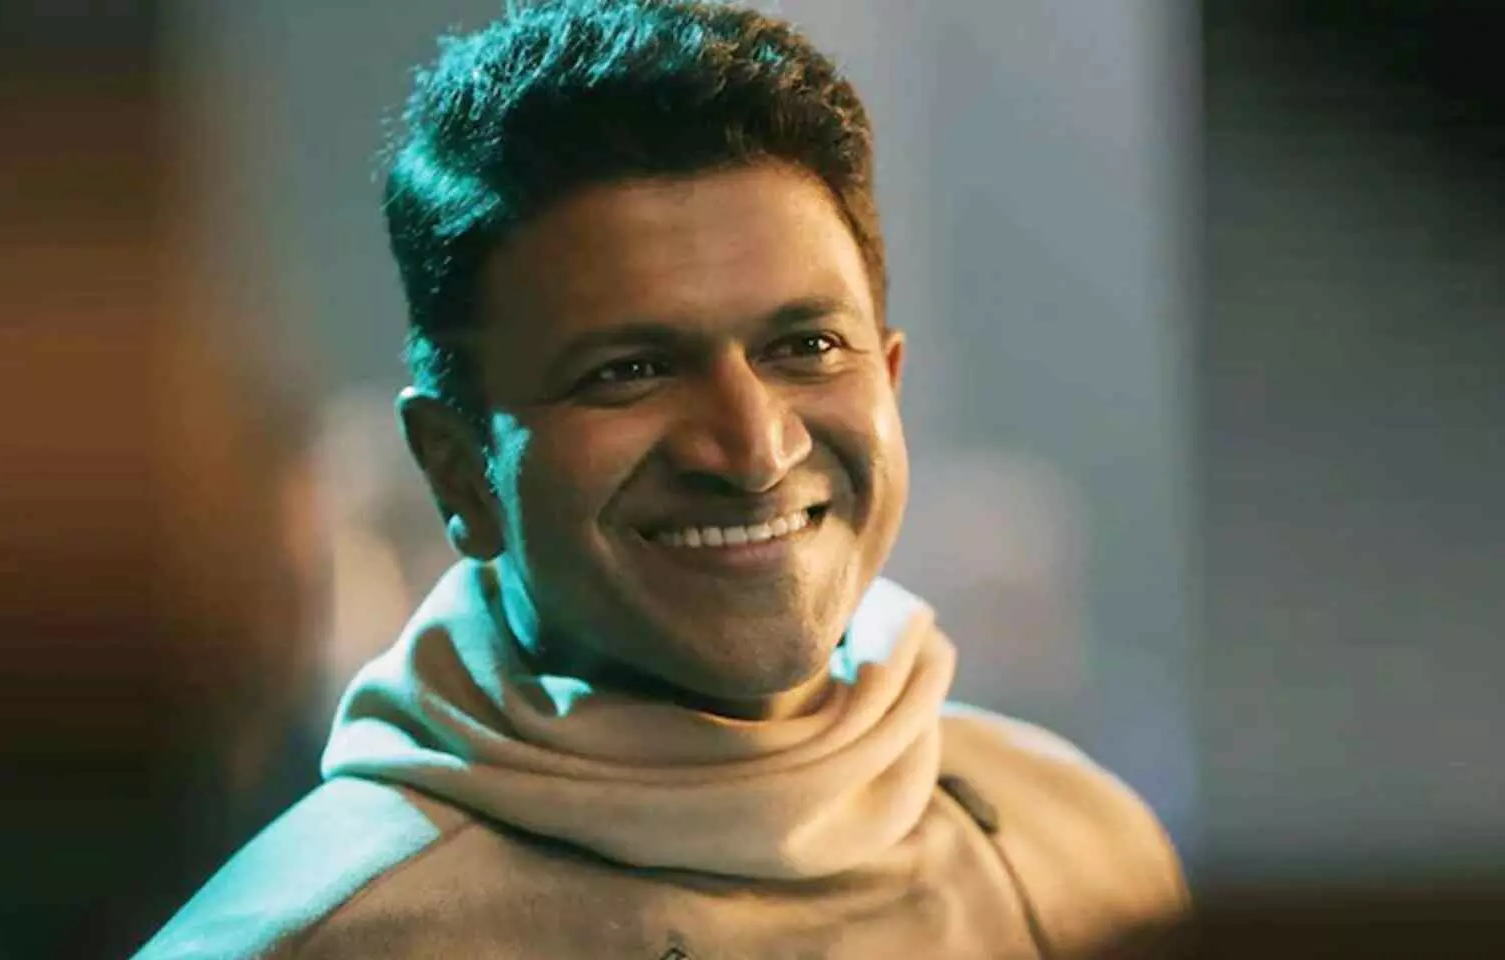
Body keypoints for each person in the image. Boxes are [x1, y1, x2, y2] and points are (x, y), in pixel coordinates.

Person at [134, 1, 1189, 956]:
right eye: (629, 371)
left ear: (891, 380)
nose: (753, 450)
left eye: (807, 347)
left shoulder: (1084, 855)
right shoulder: (320, 939)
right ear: (457, 469)